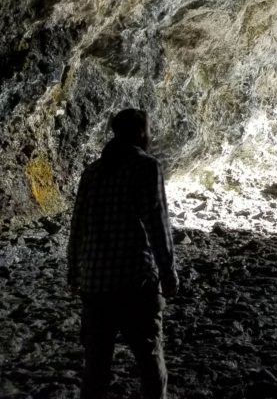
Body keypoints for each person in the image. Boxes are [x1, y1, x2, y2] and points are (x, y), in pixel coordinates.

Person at [67, 108, 178, 399]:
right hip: (134, 282)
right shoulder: (146, 166)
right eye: (148, 130)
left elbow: (77, 225)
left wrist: (73, 270)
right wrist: (168, 273)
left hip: (95, 284)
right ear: (140, 132)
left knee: (96, 367)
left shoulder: (92, 172)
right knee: (150, 359)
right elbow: (157, 223)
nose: (150, 135)